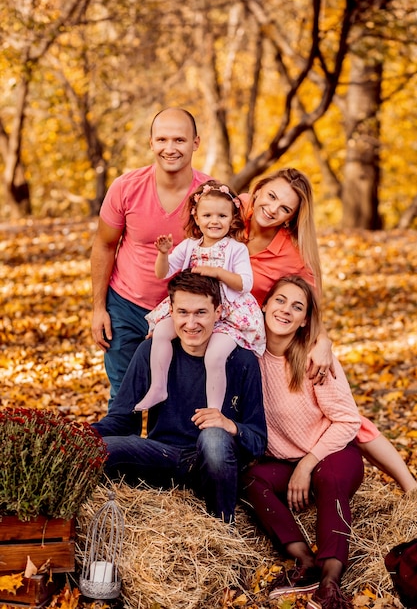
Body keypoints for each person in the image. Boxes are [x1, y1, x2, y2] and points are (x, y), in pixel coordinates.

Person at [241, 167, 417, 493]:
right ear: (258, 189)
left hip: (262, 338)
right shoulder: (234, 212)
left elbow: (311, 308)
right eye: (271, 196)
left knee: (338, 411)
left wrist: (324, 342)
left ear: (292, 218)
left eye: (285, 208)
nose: (273, 208)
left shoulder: (293, 254)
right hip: (217, 331)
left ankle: (410, 487)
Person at [92, 270, 267, 523]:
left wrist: (229, 426)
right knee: (102, 449)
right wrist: (79, 438)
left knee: (214, 439)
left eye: (201, 313)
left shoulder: (241, 359)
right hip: (161, 456)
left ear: (218, 313)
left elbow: (258, 441)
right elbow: (121, 420)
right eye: (183, 312)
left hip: (212, 462)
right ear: (170, 311)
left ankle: (221, 526)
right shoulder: (151, 352)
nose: (191, 323)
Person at [242, 275, 364, 609]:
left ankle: (330, 583)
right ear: (264, 305)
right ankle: (304, 562)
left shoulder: (314, 359)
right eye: (279, 300)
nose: (285, 310)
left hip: (333, 455)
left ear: (304, 320)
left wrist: (308, 464)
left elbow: (349, 421)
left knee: (330, 477)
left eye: (297, 307)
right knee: (250, 481)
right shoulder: (245, 357)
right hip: (283, 461)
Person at [90, 107, 211, 403]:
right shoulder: (125, 187)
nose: (170, 149)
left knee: (173, 400)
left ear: (196, 142)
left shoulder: (210, 194)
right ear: (151, 142)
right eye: (162, 140)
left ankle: (163, 451)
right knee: (123, 396)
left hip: (182, 313)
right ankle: (116, 450)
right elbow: (104, 245)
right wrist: (98, 307)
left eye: (179, 140)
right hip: (125, 306)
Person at [134, 180, 265, 412]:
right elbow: (162, 273)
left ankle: (213, 410)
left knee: (215, 355)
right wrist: (163, 254)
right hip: (194, 310)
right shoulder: (189, 246)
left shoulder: (236, 249)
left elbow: (246, 283)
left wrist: (216, 273)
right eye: (207, 215)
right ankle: (158, 386)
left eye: (222, 216)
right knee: (162, 332)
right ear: (196, 216)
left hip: (228, 314)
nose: (214, 221)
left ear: (232, 219)